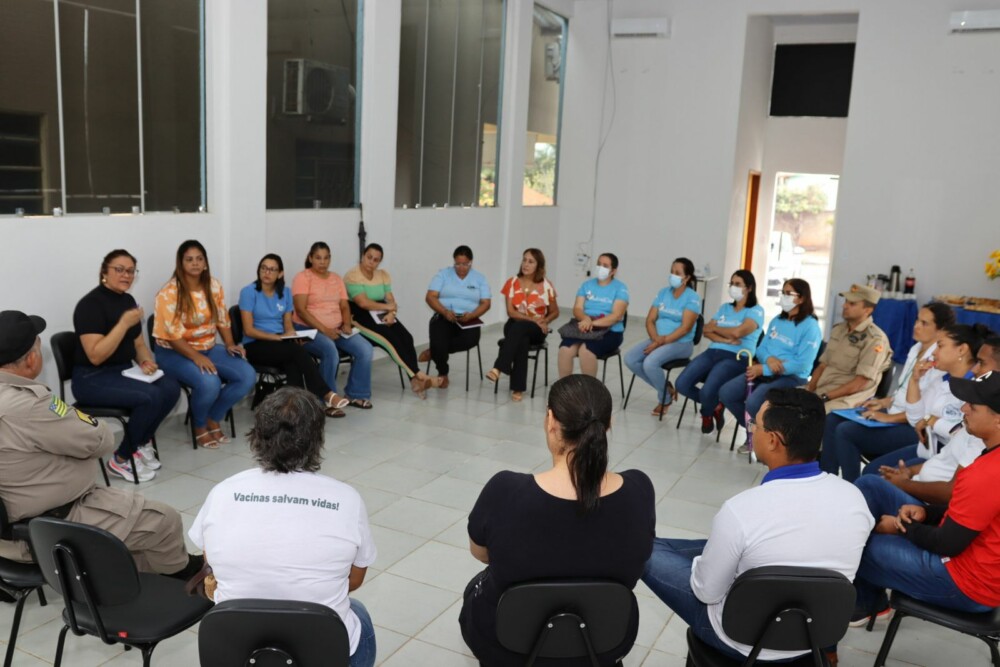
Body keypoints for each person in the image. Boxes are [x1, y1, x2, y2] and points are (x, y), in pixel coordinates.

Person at [640, 388, 874, 663]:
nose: (751, 429)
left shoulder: (741, 510)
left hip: (740, 638)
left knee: (641, 549)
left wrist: (704, 569)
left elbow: (706, 592)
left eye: (755, 425)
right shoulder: (855, 499)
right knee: (699, 548)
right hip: (813, 636)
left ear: (773, 440)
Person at [459, 375, 654, 666]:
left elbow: (481, 553)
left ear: (551, 421)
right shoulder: (639, 489)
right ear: (609, 424)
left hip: (507, 645)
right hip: (603, 642)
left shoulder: (505, 490)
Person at [0, 310, 202, 579]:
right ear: (31, 360)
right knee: (164, 521)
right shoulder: (30, 405)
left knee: (139, 548)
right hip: (45, 526)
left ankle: (147, 578)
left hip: (13, 526)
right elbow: (100, 440)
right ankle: (184, 580)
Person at [189, 387, 377, 667]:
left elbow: (211, 563)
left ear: (257, 435)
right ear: (317, 439)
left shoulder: (223, 491)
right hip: (323, 653)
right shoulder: (347, 498)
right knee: (357, 611)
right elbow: (354, 580)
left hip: (236, 651)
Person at [849, 372, 1000, 631]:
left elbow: (947, 544)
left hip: (967, 585)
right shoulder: (990, 456)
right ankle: (868, 599)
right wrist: (926, 513)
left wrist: (901, 527)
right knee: (872, 485)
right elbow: (972, 512)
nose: (964, 409)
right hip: (971, 560)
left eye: (973, 407)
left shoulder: (987, 473)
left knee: (858, 543)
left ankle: (864, 601)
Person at [72, 249, 181, 482]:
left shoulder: (128, 301)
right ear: (104, 272)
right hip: (91, 379)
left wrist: (145, 361)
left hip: (122, 372)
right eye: (119, 270)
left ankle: (139, 443)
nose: (126, 275)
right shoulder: (89, 305)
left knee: (171, 387)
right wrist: (123, 323)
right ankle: (120, 460)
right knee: (150, 397)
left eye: (131, 271)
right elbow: (95, 356)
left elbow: (139, 344)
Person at [820, 302, 955, 482]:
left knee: (846, 431)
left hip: (911, 427)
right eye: (917, 320)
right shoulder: (916, 349)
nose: (916, 326)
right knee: (833, 419)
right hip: (894, 412)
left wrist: (886, 417)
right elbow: (904, 391)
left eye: (924, 323)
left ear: (940, 330)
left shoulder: (938, 362)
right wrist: (883, 402)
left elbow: (924, 412)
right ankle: (827, 477)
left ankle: (851, 485)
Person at [153, 240, 255, 449]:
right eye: (189, 259)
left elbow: (222, 319)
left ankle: (213, 417)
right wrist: (197, 357)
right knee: (210, 382)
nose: (195, 263)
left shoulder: (214, 286)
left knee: (247, 375)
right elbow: (172, 337)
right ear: (181, 264)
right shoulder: (169, 292)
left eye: (199, 259)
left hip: (207, 347)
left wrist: (230, 344)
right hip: (172, 352)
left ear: (206, 263)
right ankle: (199, 426)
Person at [863, 323, 990, 474]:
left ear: (961, 350)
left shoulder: (977, 390)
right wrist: (914, 380)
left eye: (940, 346)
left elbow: (964, 433)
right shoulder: (941, 380)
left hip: (952, 457)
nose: (934, 353)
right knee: (870, 470)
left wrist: (933, 421)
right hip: (930, 447)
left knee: (876, 476)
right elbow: (915, 419)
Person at [240, 253, 351, 417]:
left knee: (294, 362)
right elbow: (248, 330)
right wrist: (277, 338)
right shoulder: (249, 292)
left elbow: (287, 323)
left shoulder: (285, 293)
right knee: (297, 352)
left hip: (279, 343)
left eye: (272, 269)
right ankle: (326, 394)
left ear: (280, 274)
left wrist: (291, 335)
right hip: (255, 344)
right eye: (263, 268)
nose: (267, 272)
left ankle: (293, 411)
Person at [718, 278, 822, 453]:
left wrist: (764, 368)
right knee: (727, 392)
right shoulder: (777, 320)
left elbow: (802, 363)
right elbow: (761, 349)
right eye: (783, 292)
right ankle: (757, 433)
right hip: (766, 369)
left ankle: (759, 438)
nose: (783, 297)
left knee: (754, 402)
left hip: (792, 377)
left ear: (802, 298)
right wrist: (770, 360)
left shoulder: (810, 327)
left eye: (788, 293)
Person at [675, 270, 764, 434]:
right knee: (681, 384)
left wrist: (716, 329)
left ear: (749, 288)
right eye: (732, 284)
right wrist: (725, 339)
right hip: (713, 351)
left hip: (738, 357)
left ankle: (706, 413)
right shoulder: (725, 307)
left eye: (738, 284)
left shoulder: (756, 310)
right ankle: (715, 405)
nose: (733, 287)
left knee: (708, 391)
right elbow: (706, 330)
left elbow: (737, 332)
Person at [344, 243, 438, 398]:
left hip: (381, 311)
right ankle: (418, 375)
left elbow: (390, 299)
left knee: (407, 338)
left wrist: (392, 313)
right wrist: (388, 307)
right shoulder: (352, 275)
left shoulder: (383, 275)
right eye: (369, 257)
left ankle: (415, 381)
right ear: (363, 256)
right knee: (390, 340)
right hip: (359, 315)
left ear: (379, 262)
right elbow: (363, 303)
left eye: (376, 260)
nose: (371, 262)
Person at [292, 242, 374, 409]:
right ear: (310, 258)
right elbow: (300, 310)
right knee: (330, 351)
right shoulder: (303, 277)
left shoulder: (336, 278)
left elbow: (344, 306)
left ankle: (356, 394)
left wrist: (346, 324)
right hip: (307, 329)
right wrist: (325, 330)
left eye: (326, 258)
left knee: (365, 349)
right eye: (318, 258)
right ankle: (326, 399)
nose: (322, 262)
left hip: (337, 328)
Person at [624, 257, 700, 417]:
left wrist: (660, 342)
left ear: (687, 278)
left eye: (677, 273)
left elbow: (685, 328)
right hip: (657, 339)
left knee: (650, 363)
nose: (673, 275)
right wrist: (655, 338)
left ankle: (665, 398)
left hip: (681, 343)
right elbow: (650, 320)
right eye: (672, 272)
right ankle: (666, 388)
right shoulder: (663, 293)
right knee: (630, 359)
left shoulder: (692, 298)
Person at [487, 248, 560, 402]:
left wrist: (545, 321)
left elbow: (555, 312)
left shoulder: (546, 286)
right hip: (515, 324)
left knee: (520, 331)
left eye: (531, 261)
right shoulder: (512, 283)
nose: (526, 264)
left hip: (536, 330)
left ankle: (499, 367)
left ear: (539, 266)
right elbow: (511, 312)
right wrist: (533, 319)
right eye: (524, 260)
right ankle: (517, 387)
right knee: (521, 337)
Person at [806, 284, 893, 412]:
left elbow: (860, 382)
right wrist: (809, 390)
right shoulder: (838, 330)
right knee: (784, 404)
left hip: (846, 398)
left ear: (867, 310)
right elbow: (823, 365)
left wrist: (824, 397)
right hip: (822, 390)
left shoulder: (875, 339)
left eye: (852, 304)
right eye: (846, 301)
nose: (844, 305)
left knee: (810, 415)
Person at [419, 245, 492, 388]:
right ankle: (443, 373)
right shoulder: (443, 274)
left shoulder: (479, 278)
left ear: (471, 262)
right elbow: (430, 297)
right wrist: (444, 311)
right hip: (444, 316)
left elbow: (486, 303)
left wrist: (472, 315)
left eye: (465, 264)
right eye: (457, 264)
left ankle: (434, 351)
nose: (461, 268)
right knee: (439, 338)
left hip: (469, 318)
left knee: (470, 340)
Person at [557, 252, 629, 379]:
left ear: (613, 271)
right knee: (565, 350)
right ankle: (564, 388)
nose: (600, 267)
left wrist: (591, 323)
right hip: (584, 327)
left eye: (605, 265)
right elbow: (577, 308)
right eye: (599, 264)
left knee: (586, 351)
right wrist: (585, 319)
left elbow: (616, 316)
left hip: (610, 332)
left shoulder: (620, 288)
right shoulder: (586, 285)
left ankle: (589, 389)